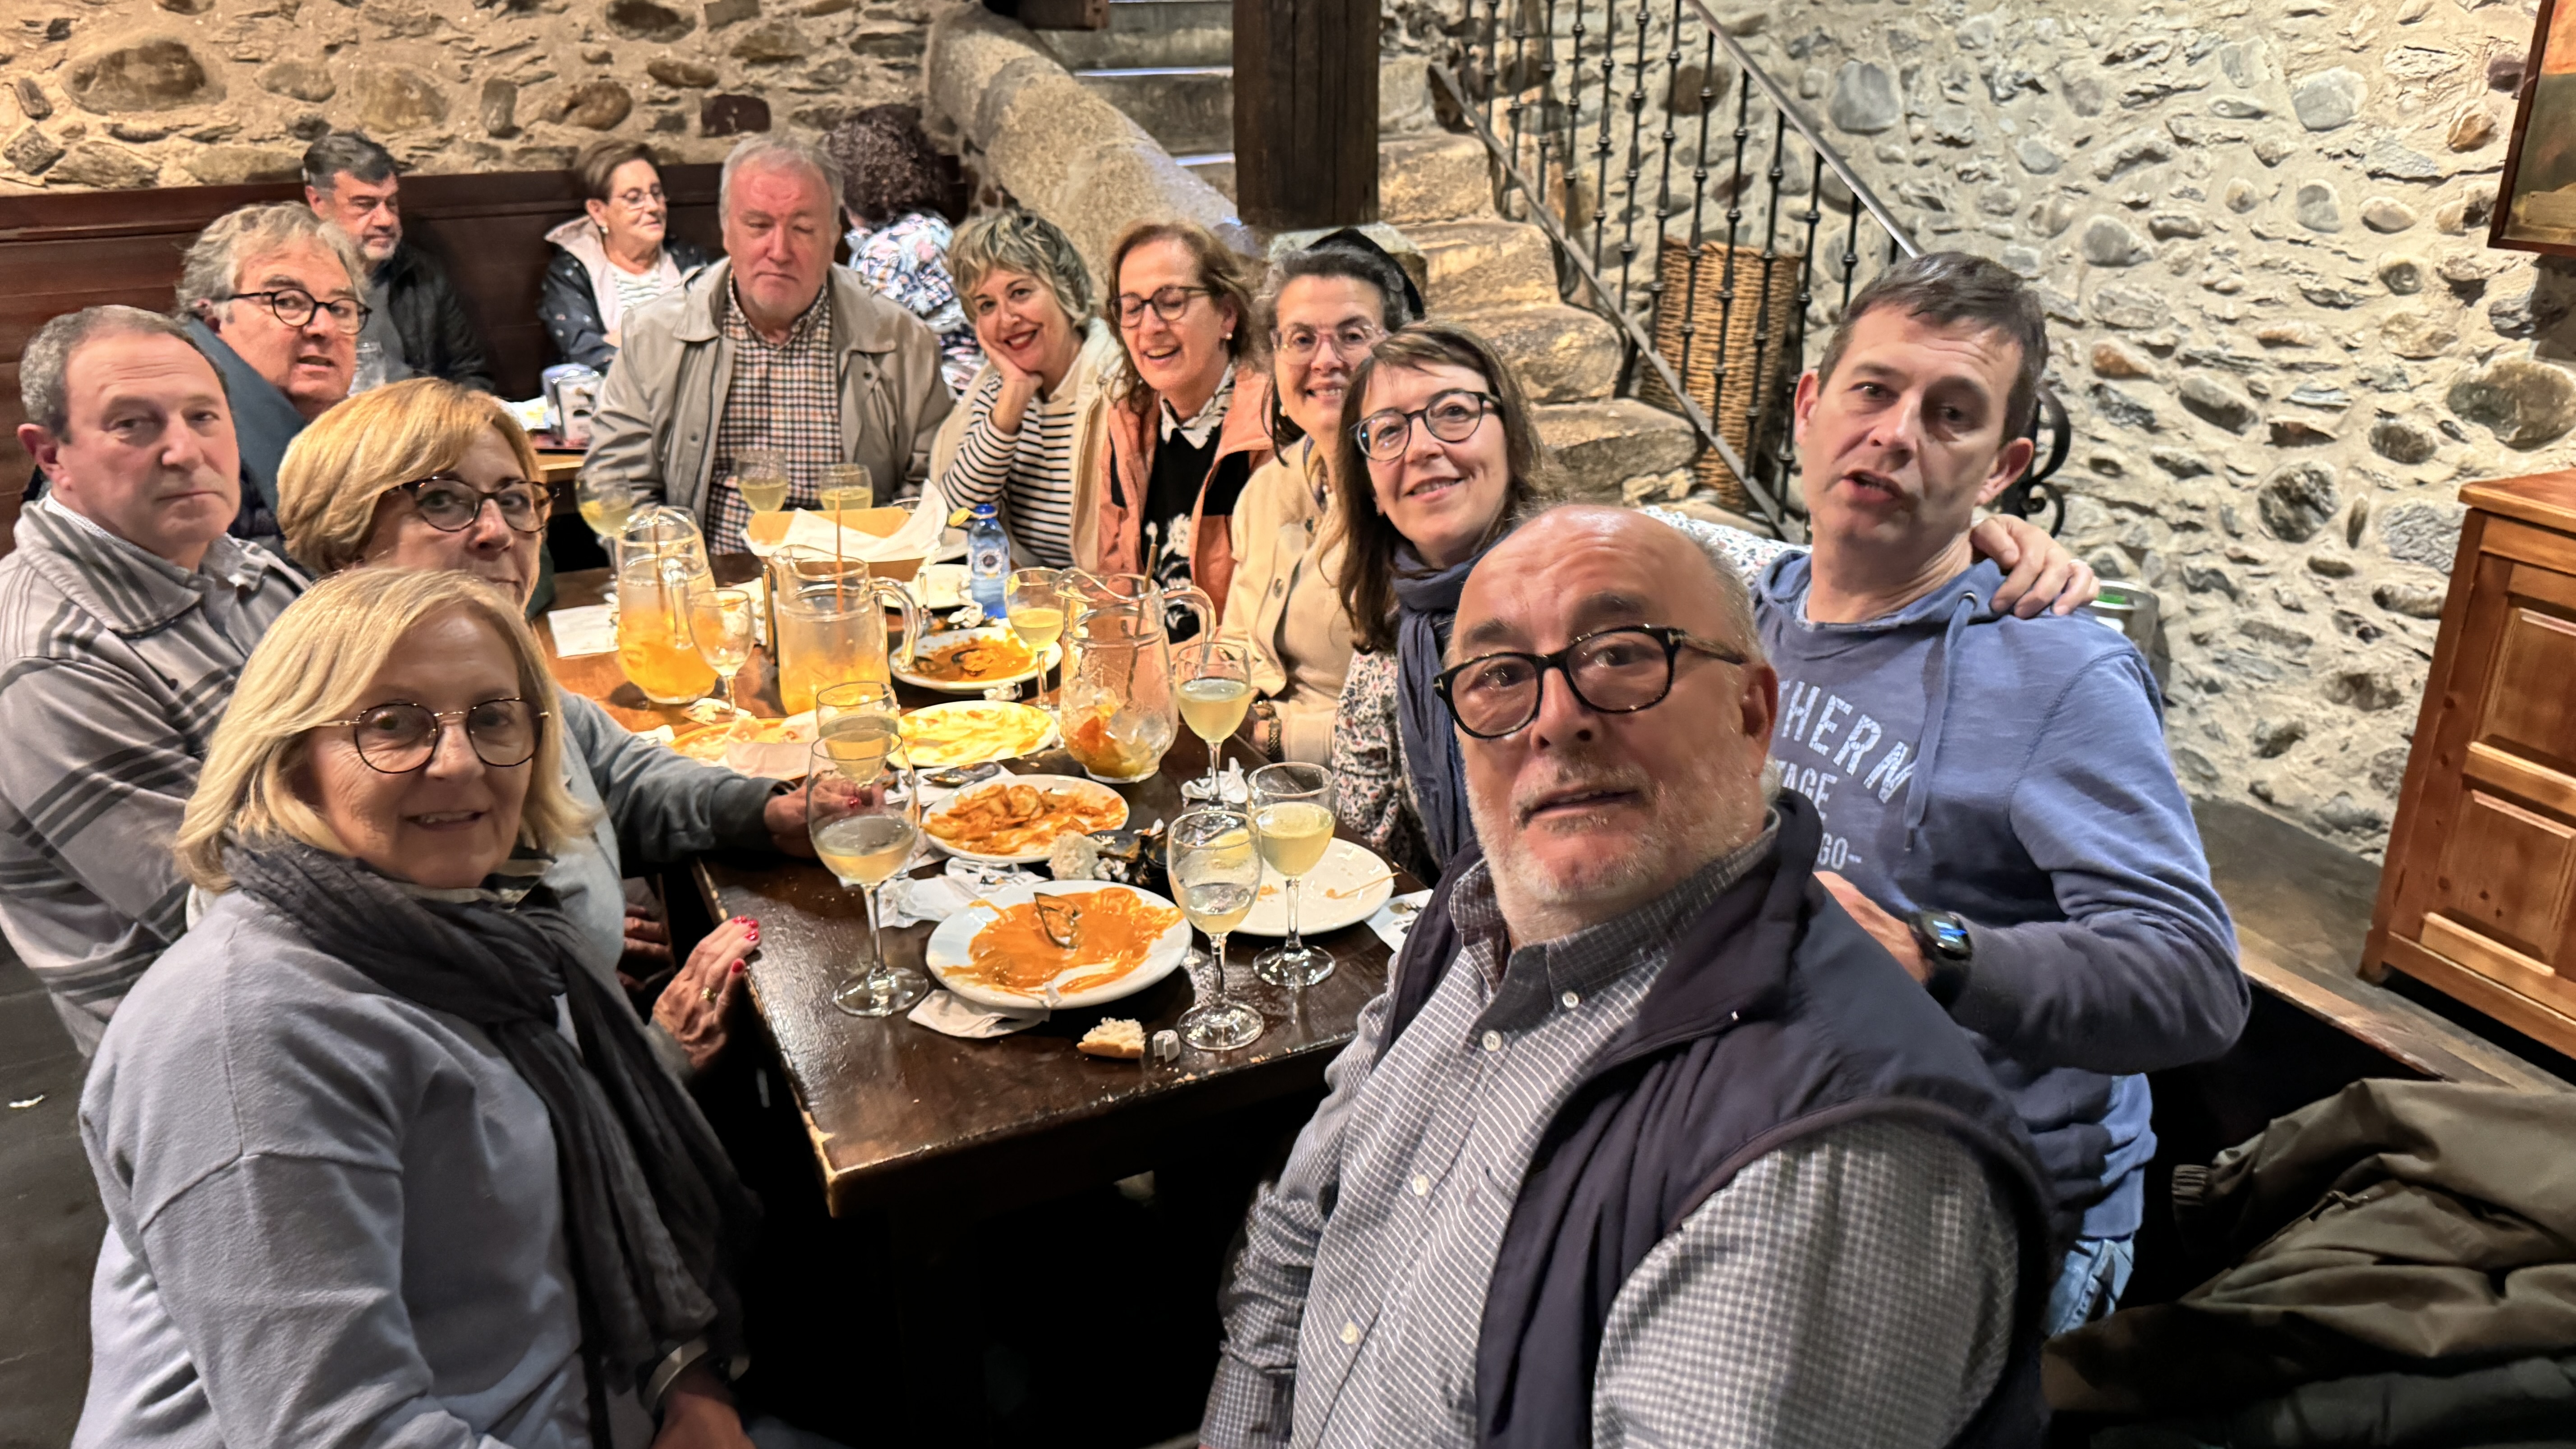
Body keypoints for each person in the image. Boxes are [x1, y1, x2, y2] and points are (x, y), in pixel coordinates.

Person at [1203, 503, 2054, 1449]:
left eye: (1621, 655)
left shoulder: (1830, 1152)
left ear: (1751, 713)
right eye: (1498, 676)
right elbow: (1292, 1243)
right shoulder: (1470, 919)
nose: (1556, 719)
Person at [76, 567, 761, 1448]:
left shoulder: (486, 936)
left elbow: (597, 1199)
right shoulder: (244, 1035)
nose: (461, 760)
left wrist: (687, 1380)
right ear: (289, 758)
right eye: (393, 724)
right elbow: (340, 1431)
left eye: (493, 717)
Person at [1753, 251, 2245, 1335]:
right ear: (1809, 406)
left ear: (2002, 468)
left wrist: (1935, 954)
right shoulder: (1749, 609)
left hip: (1987, 1206)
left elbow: (2196, 980)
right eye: (1873, 390)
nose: (1895, 434)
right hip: (1783, 1152)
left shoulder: (2059, 672)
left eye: (1952, 414)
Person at [1327, 322, 2097, 884]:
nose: (1421, 446)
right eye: (1386, 431)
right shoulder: (1384, 648)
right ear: (1368, 479)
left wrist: (1980, 539)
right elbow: (1366, 856)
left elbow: (1820, 577)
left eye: (1453, 412)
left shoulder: (1636, 556)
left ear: (1509, 435)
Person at [276, 376, 816, 1075]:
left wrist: (763, 811)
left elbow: (617, 773)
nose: (497, 531)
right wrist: (654, 1057)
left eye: (512, 498)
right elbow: (459, 1089)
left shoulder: (491, 676)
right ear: (344, 541)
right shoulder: (351, 758)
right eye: (442, 500)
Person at [0, 307, 306, 1056]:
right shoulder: (48, 661)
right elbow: (243, 916)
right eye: (133, 425)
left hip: (340, 975)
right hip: (222, 1048)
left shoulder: (248, 571)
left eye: (204, 416)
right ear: (51, 456)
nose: (184, 450)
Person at [588, 134, 956, 556]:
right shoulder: (653, 336)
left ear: (834, 236)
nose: (779, 251)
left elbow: (929, 490)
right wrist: (679, 573)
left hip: (854, 579)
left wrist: (879, 566)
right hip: (710, 582)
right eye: (759, 226)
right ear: (727, 231)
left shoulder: (902, 342)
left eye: (803, 229)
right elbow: (617, 486)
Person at [1216, 233, 1419, 764]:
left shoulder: (1419, 502)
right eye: (1301, 339)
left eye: (1352, 335)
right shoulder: (1266, 489)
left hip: (1354, 788)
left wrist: (1275, 735)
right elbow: (1235, 643)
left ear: (1397, 349)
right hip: (1251, 769)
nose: (1325, 360)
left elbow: (1425, 717)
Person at [1090, 219, 1272, 632]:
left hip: (1230, 668)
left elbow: (1264, 623)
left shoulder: (1270, 430)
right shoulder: (1128, 424)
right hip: (1147, 664)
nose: (1150, 327)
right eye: (1132, 308)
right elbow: (1114, 586)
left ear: (1228, 314)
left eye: (1171, 302)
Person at [924, 207, 1122, 569]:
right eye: (987, 305)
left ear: (1065, 290)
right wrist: (1013, 398)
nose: (1007, 319)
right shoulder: (995, 390)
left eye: (1020, 292)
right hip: (1027, 595)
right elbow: (954, 522)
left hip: (1105, 594)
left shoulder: (1119, 382)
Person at [171, 200, 367, 548]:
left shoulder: (353, 431)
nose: (324, 327)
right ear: (213, 319)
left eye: (340, 308)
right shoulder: (186, 451)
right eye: (288, 302)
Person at [302, 130, 498, 394]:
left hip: (421, 414)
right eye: (365, 205)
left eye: (391, 203)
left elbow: (471, 375)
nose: (386, 220)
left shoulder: (421, 273)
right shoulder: (296, 283)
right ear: (317, 201)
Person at [824, 104, 982, 397]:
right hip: (974, 393)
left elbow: (868, 357)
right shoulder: (936, 228)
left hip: (929, 401)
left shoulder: (885, 253)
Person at [542, 138, 717, 370]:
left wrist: (623, 339)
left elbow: (713, 340)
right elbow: (585, 354)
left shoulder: (690, 261)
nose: (653, 207)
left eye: (657, 194)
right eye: (634, 199)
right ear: (598, 211)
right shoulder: (571, 273)